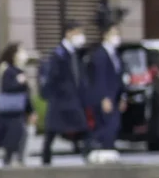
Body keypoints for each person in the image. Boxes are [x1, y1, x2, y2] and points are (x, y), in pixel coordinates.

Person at [41, 19, 89, 165]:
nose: (81, 36)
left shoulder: (74, 53)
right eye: (78, 32)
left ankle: (86, 154)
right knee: (52, 131)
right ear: (69, 33)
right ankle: (46, 159)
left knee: (83, 127)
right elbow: (53, 77)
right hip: (60, 99)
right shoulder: (59, 53)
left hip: (72, 98)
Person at [0, 42, 35, 166]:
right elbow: (7, 88)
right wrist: (19, 81)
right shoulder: (7, 69)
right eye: (20, 51)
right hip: (10, 111)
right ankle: (11, 160)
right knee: (14, 135)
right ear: (13, 54)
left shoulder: (20, 71)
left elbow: (26, 95)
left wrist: (31, 111)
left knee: (21, 134)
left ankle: (17, 159)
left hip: (18, 110)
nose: (23, 54)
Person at [86, 13, 126, 161]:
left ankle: (108, 149)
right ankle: (100, 150)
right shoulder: (99, 55)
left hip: (115, 96)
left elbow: (120, 76)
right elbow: (99, 78)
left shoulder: (115, 54)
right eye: (114, 33)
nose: (116, 36)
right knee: (105, 125)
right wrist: (103, 97)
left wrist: (122, 96)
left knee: (113, 125)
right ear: (105, 35)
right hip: (105, 98)